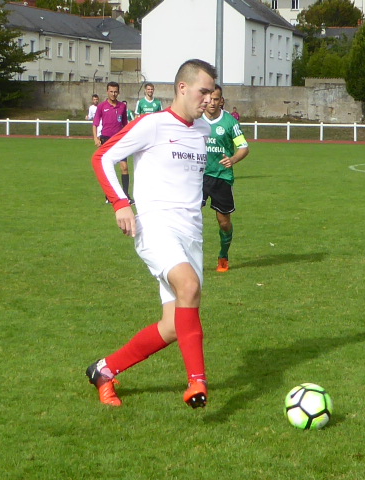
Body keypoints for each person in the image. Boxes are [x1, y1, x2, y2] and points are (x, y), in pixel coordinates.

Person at [88, 59, 217, 409]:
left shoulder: (203, 130)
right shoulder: (153, 124)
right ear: (182, 88)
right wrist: (120, 203)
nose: (209, 99)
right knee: (188, 285)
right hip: (157, 226)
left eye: (212, 93)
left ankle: (104, 370)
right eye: (204, 91)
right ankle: (197, 381)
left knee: (174, 326)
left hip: (192, 234)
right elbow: (102, 157)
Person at [202, 85, 249, 272]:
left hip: (222, 177)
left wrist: (233, 159)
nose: (212, 103)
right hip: (199, 176)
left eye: (216, 99)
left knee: (224, 222)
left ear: (221, 100)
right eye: (209, 99)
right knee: (190, 219)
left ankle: (223, 255)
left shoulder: (230, 122)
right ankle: (189, 259)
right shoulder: (196, 119)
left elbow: (243, 147)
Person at [92, 82, 132, 202]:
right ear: (107, 92)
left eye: (115, 92)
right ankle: (110, 195)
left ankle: (125, 195)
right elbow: (95, 123)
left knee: (124, 167)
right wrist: (96, 138)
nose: (113, 94)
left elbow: (125, 124)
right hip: (106, 140)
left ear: (118, 92)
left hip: (119, 140)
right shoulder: (102, 106)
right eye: (111, 91)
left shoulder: (122, 106)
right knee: (108, 169)